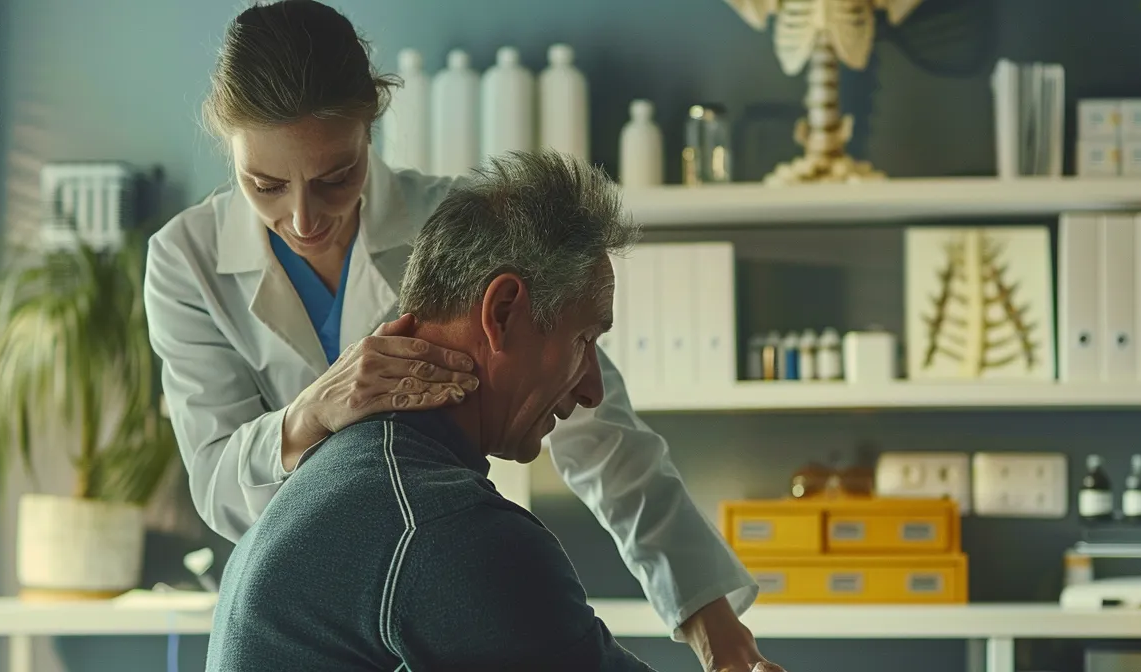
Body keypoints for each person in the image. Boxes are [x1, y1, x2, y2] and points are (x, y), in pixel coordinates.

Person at [144, 2, 777, 669]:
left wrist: (715, 628)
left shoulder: (457, 225)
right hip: (320, 596)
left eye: (336, 178)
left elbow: (603, 434)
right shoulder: (185, 259)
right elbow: (218, 482)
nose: (303, 219)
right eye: (264, 184)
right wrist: (311, 413)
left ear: (371, 126)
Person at [208, 150, 655, 671]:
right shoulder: (449, 531)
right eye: (584, 339)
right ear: (503, 312)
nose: (593, 391)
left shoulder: (336, 479)